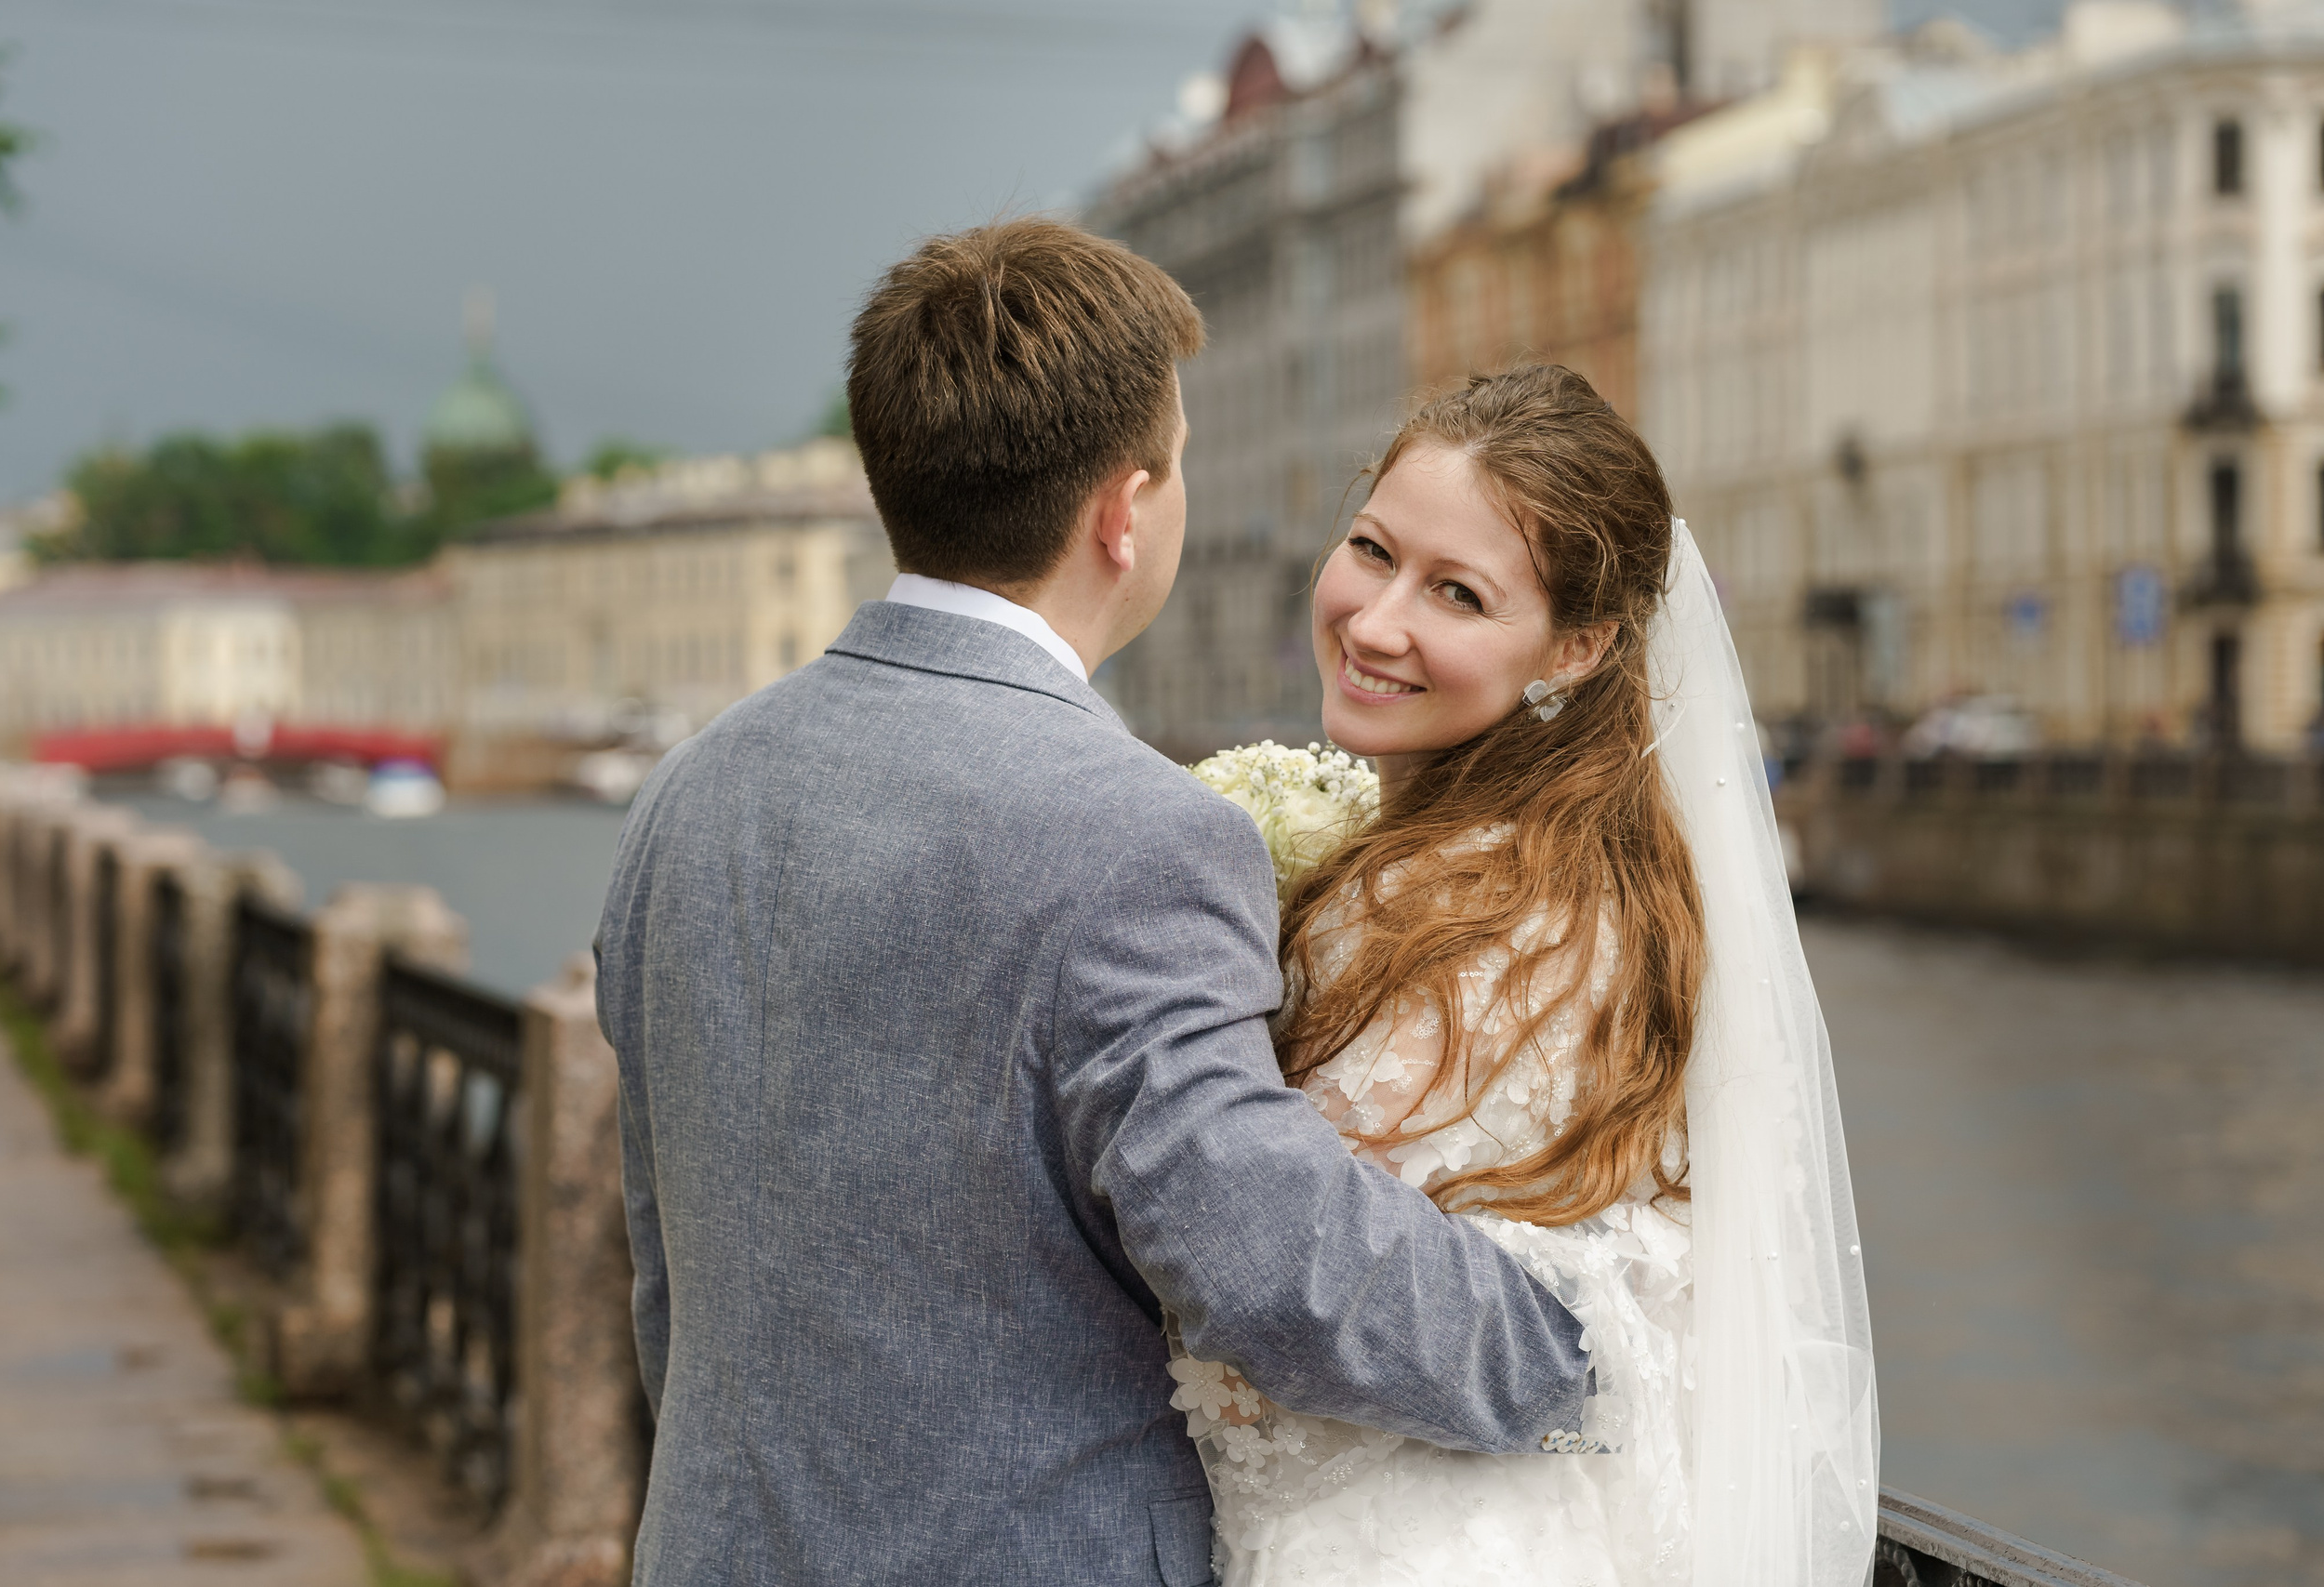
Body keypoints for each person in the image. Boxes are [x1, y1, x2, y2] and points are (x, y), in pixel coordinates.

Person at [591, 220, 1595, 1587]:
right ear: (1125, 511)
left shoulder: (684, 795)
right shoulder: (1139, 835)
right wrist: (1576, 1355)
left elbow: (667, 1270)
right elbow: (1268, 1262)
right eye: (1175, 463)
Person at [1167, 367, 1879, 1586]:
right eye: (1372, 549)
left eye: (1456, 593)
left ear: (1580, 645)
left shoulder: (1461, 915)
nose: (1378, 619)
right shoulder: (1596, 876)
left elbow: (1287, 1270)